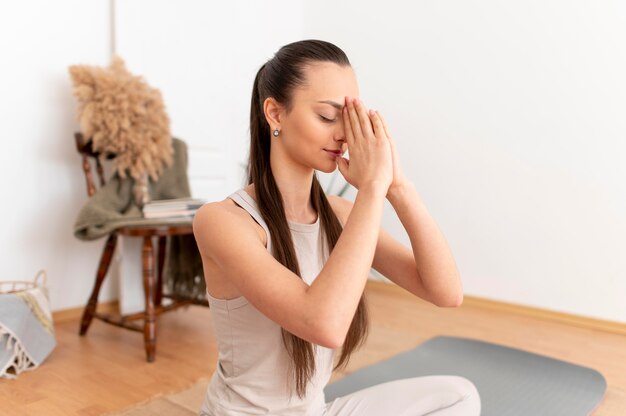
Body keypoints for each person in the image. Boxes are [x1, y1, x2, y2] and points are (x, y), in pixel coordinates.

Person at [192, 39, 481, 416]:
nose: (343, 134)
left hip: (315, 411)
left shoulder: (341, 215)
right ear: (275, 114)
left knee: (458, 396)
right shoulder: (224, 221)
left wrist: (398, 187)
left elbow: (445, 291)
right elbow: (323, 324)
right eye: (328, 117)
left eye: (348, 119)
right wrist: (372, 190)